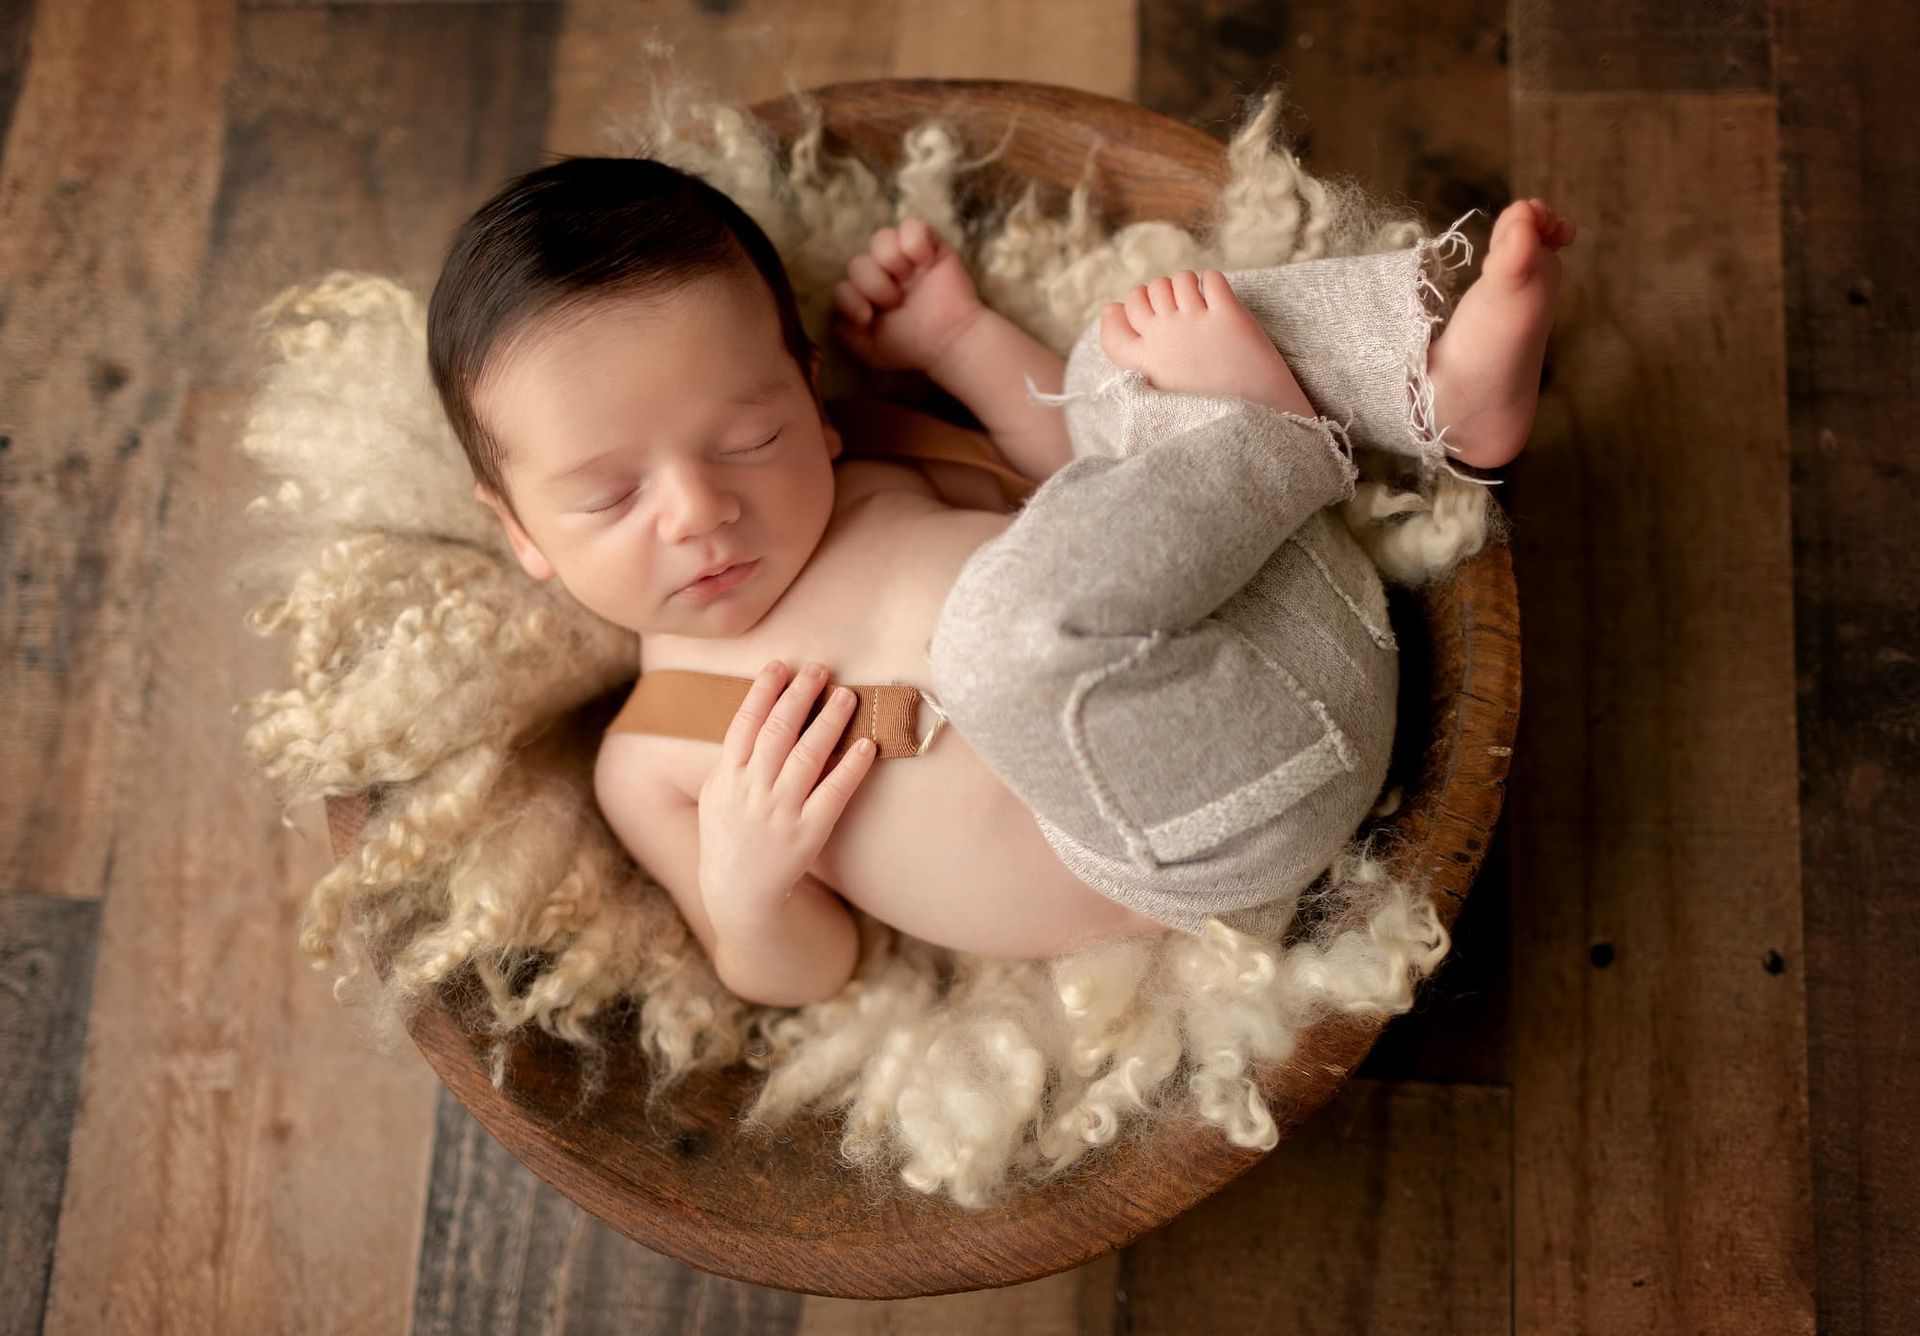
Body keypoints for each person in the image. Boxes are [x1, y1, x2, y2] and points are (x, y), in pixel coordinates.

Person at [427, 157, 1574, 1007]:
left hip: (1299, 615)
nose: (700, 511)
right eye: (609, 496)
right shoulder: (652, 760)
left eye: (746, 437)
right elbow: (801, 975)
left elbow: (1083, 475)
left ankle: (1436, 392)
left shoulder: (877, 462)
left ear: (812, 401)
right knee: (996, 640)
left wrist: (960, 339)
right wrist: (750, 889)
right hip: (1208, 819)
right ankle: (1275, 428)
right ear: (520, 529)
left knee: (1119, 348)